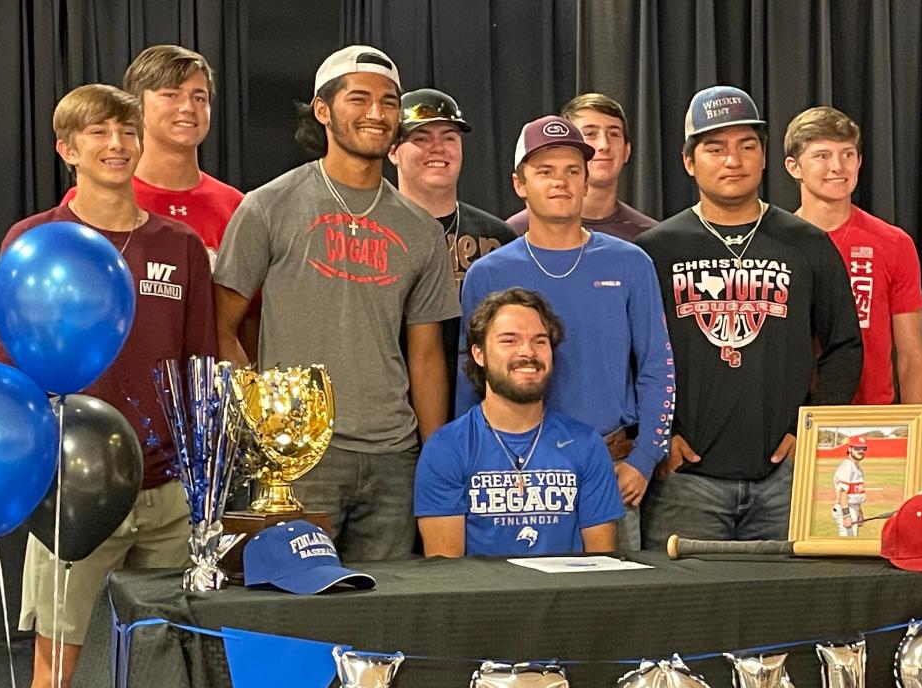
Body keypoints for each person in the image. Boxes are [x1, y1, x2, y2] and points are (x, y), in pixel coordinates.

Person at [0, 83, 216, 688]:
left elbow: (199, 372)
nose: (116, 144)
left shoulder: (179, 247)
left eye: (125, 129)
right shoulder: (34, 242)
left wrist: (202, 489)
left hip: (164, 494)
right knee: (61, 664)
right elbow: (10, 378)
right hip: (70, 494)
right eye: (98, 133)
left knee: (170, 675)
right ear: (68, 150)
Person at [58, 43, 244, 688]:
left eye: (200, 95)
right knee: (87, 649)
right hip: (85, 478)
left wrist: (217, 463)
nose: (186, 108)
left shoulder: (217, 217)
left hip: (179, 476)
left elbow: (217, 349)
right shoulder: (56, 233)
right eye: (167, 97)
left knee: (174, 650)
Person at [415, 287, 622, 688]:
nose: (527, 353)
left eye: (537, 341)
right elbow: (447, 572)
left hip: (570, 623)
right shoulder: (449, 448)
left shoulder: (584, 446)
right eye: (509, 341)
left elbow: (601, 564)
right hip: (482, 628)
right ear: (478, 355)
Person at [213, 46, 458, 561]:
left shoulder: (420, 229)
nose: (376, 113)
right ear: (323, 110)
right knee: (294, 616)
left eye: (389, 101)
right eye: (360, 98)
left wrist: (433, 459)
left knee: (384, 620)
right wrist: (264, 427)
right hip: (299, 461)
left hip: (395, 456)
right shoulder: (267, 206)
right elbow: (220, 325)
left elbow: (427, 353)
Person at [635, 86, 862, 553]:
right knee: (684, 617)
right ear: (689, 161)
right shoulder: (655, 250)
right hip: (685, 482)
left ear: (764, 158)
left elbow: (844, 344)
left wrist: (811, 433)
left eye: (746, 146)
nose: (732, 160)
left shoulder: (808, 243)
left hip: (785, 479)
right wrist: (660, 438)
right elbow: (629, 353)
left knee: (787, 616)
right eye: (715, 148)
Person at [458, 115, 673, 550]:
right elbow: (470, 378)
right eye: (545, 172)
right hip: (510, 475)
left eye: (573, 170)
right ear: (520, 184)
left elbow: (657, 364)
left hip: (611, 469)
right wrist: (469, 464)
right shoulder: (488, 273)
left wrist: (645, 458)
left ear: (586, 180)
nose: (561, 182)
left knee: (614, 607)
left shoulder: (630, 264)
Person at [784, 106, 922, 405]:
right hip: (793, 425)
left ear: (860, 161)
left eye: (848, 154)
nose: (838, 166)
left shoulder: (893, 243)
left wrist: (915, 439)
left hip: (871, 421)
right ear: (793, 167)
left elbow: (912, 357)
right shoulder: (776, 244)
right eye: (822, 155)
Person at [388, 88, 515, 410]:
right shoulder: (373, 233)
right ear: (392, 151)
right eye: (420, 138)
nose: (437, 148)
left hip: (482, 410)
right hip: (395, 413)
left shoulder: (498, 235)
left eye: (449, 137)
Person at [506, 92, 656, 241]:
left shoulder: (648, 236)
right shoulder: (514, 232)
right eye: (590, 133)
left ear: (627, 151)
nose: (604, 145)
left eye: (614, 134)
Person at [833, 435, 868, 536]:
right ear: (849, 448)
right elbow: (843, 493)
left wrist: (860, 513)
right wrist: (846, 515)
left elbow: (855, 494)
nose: (861, 450)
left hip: (853, 508)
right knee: (847, 545)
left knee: (852, 542)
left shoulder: (857, 467)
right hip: (846, 509)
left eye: (864, 448)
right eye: (857, 448)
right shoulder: (847, 466)